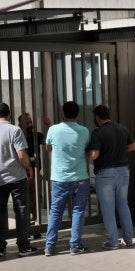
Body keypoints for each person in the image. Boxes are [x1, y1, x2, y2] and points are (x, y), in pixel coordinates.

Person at [0, 102, 38, 257]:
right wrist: (28, 168)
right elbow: (21, 155)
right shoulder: (15, 130)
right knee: (21, 211)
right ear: (9, 114)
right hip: (17, 178)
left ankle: (0, 247)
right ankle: (23, 246)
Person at [44, 101, 90, 256]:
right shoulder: (84, 131)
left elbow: (48, 148)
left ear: (63, 112)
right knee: (78, 211)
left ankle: (49, 246)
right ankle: (75, 246)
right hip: (80, 177)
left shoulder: (53, 129)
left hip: (59, 178)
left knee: (55, 211)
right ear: (77, 114)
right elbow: (86, 149)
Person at [88, 105, 135, 250]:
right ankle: (129, 239)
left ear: (97, 117)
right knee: (123, 204)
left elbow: (94, 154)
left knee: (108, 208)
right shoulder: (122, 128)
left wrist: (87, 153)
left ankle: (114, 241)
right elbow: (133, 146)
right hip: (123, 172)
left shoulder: (98, 132)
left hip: (106, 173)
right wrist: (120, 150)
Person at [18, 113, 50, 223]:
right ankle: (26, 222)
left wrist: (49, 127)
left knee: (36, 197)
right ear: (20, 124)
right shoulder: (17, 135)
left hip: (35, 171)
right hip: (20, 172)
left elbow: (48, 145)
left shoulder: (37, 135)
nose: (30, 124)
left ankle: (35, 221)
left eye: (30, 122)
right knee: (24, 199)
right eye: (26, 123)